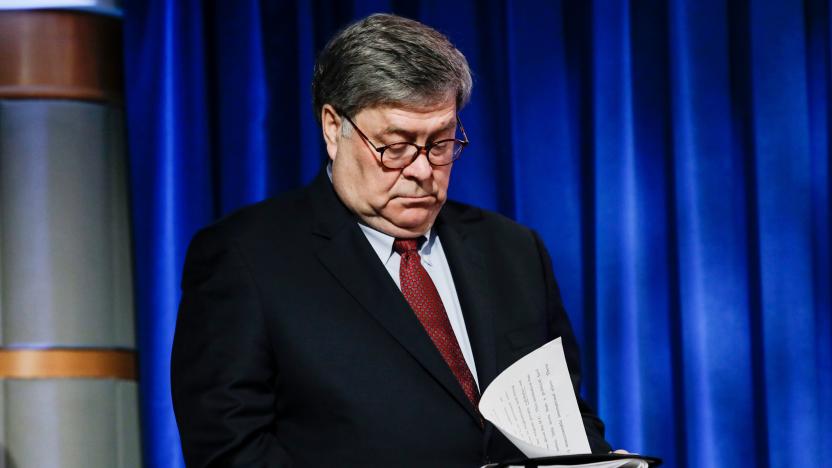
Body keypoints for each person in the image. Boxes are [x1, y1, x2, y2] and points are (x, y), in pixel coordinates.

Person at [172, 13, 612, 467]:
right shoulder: (246, 256)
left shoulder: (514, 251)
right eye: (396, 146)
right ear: (332, 127)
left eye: (440, 143)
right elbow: (230, 450)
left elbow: (562, 417)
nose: (422, 170)